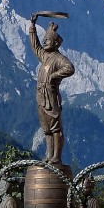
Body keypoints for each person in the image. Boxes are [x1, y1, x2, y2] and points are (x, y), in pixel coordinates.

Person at [28, 13, 75, 164]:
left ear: (55, 43)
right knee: (46, 128)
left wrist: (55, 74)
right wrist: (32, 27)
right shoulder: (45, 56)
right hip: (41, 96)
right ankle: (49, 155)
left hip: (51, 96)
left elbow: (70, 68)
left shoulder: (59, 58)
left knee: (56, 128)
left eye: (47, 40)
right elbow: (35, 45)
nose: (44, 42)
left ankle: (57, 156)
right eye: (44, 39)